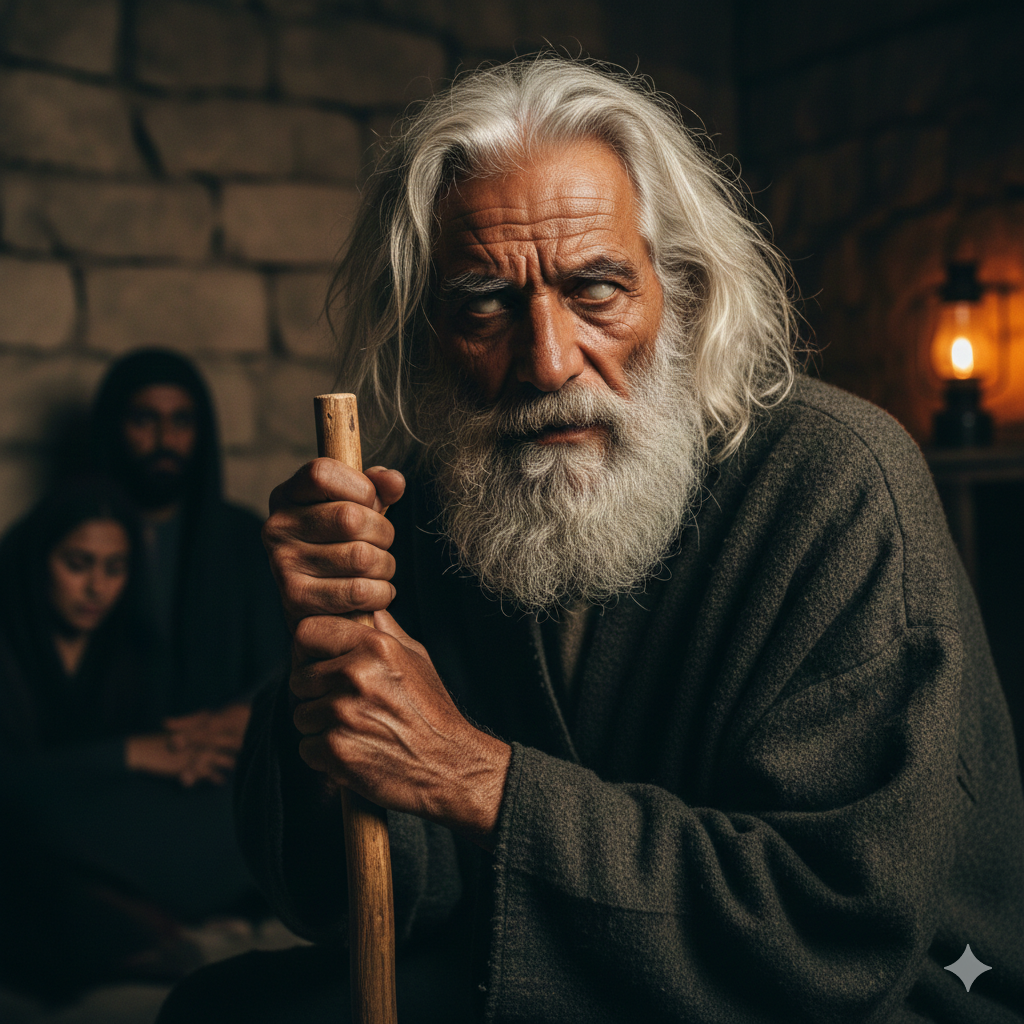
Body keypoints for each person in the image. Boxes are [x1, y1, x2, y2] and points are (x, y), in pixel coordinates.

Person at [159, 58, 1024, 1022]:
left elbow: (835, 926)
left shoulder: (838, 482)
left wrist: (471, 774)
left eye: (596, 289)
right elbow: (373, 899)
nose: (547, 360)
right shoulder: (424, 508)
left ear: (680, 292)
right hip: (567, 964)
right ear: (428, 328)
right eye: (484, 302)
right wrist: (326, 678)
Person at [0, 479, 252, 1002]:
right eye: (78, 564)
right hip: (23, 837)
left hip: (95, 836)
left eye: (115, 568)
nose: (97, 587)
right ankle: (134, 933)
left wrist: (187, 754)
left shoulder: (130, 649)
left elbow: (129, 794)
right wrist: (131, 754)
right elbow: (15, 784)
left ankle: (139, 924)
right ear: (41, 560)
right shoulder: (9, 644)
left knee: (231, 805)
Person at [89, 348, 289, 767]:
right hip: (107, 769)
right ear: (114, 426)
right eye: (144, 420)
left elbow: (280, 661)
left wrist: (238, 719)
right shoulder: (68, 541)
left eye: (181, 421)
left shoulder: (245, 539)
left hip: (224, 767)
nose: (165, 440)